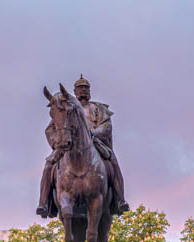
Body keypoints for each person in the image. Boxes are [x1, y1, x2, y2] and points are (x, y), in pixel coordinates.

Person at [37, 75, 128, 218]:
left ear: (89, 91)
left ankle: (120, 199)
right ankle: (44, 203)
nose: (83, 91)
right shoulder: (67, 109)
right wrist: (56, 143)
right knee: (49, 165)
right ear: (74, 91)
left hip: (94, 143)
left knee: (113, 162)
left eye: (85, 88)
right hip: (67, 145)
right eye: (80, 89)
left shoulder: (97, 108)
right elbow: (50, 129)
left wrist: (94, 133)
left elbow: (107, 125)